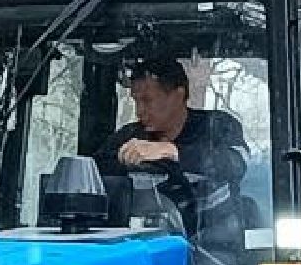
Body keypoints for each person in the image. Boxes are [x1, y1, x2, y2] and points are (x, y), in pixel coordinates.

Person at [92, 56, 250, 185]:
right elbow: (93, 173)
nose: (139, 111)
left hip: (213, 222)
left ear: (178, 96)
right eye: (136, 101)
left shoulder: (218, 125)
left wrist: (171, 151)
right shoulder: (129, 138)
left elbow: (237, 165)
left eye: (147, 100)